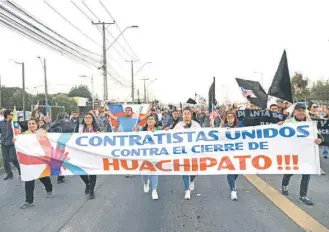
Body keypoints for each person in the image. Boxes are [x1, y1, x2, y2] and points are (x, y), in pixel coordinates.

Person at [280, 103, 323, 205]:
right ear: (294, 112)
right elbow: (279, 134)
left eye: (303, 110)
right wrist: (279, 126)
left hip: (306, 153)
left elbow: (320, 136)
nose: (301, 112)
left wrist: (319, 140)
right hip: (293, 153)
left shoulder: (310, 123)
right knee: (290, 171)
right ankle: (284, 185)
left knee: (306, 173)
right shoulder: (288, 122)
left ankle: (303, 196)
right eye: (299, 110)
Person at [14, 118, 53, 209]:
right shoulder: (24, 135)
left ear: (37, 125)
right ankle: (29, 201)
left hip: (40, 160)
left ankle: (49, 187)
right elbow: (20, 144)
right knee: (29, 179)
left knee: (43, 177)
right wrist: (16, 141)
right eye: (29, 124)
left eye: (33, 123)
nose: (31, 125)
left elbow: (48, 144)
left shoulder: (42, 133)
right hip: (29, 161)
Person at [173, 107, 200, 200]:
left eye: (188, 113)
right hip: (183, 152)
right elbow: (171, 137)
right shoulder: (178, 126)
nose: (186, 115)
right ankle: (187, 190)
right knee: (184, 171)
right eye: (185, 113)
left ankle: (192, 180)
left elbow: (202, 136)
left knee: (194, 170)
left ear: (191, 115)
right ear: (182, 115)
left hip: (194, 152)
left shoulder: (196, 125)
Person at [138, 115, 161, 200]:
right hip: (144, 155)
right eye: (149, 119)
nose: (150, 120)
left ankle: (154, 190)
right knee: (144, 172)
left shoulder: (159, 130)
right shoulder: (142, 130)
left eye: (152, 119)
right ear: (146, 121)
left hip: (155, 155)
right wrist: (134, 132)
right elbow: (137, 140)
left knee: (154, 171)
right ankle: (145, 182)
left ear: (155, 121)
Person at [48, 112, 75, 184]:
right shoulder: (66, 124)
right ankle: (61, 176)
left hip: (54, 143)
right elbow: (71, 129)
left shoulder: (53, 124)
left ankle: (59, 174)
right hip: (63, 142)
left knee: (58, 159)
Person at [79, 113, 100, 199]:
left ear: (93, 119)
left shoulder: (97, 130)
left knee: (92, 173)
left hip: (93, 155)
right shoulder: (80, 129)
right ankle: (87, 183)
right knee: (81, 172)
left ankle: (91, 191)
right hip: (82, 154)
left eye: (89, 117)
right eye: (86, 117)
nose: (87, 119)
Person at [221, 110, 239, 200]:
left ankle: (232, 183)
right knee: (231, 171)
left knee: (236, 172)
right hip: (227, 154)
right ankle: (233, 191)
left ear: (234, 118)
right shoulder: (222, 128)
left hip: (238, 153)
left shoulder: (240, 127)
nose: (230, 119)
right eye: (228, 117)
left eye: (232, 117)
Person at [0, 109, 21, 180]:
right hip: (3, 144)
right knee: (5, 160)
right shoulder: (1, 123)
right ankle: (9, 174)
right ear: (7, 115)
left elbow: (18, 132)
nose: (12, 116)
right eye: (11, 114)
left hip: (12, 144)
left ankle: (20, 169)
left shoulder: (14, 123)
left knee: (13, 158)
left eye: (12, 114)